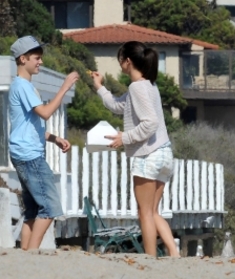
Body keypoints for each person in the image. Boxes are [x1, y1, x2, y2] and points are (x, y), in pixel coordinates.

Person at [91, 41, 180, 257]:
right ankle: (175, 254)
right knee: (153, 211)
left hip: (148, 155)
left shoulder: (136, 87)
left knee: (144, 213)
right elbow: (119, 106)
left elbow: (149, 123)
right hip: (164, 153)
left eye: (120, 59)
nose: (119, 63)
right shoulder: (149, 86)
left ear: (127, 61)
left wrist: (125, 138)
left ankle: (150, 259)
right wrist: (100, 87)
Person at [9, 35, 79, 250]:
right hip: (30, 156)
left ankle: (24, 257)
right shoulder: (23, 86)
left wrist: (54, 138)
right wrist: (64, 87)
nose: (40, 62)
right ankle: (33, 253)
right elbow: (46, 113)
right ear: (23, 59)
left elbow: (28, 126)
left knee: (32, 211)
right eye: (36, 58)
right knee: (50, 208)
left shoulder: (20, 86)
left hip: (22, 153)